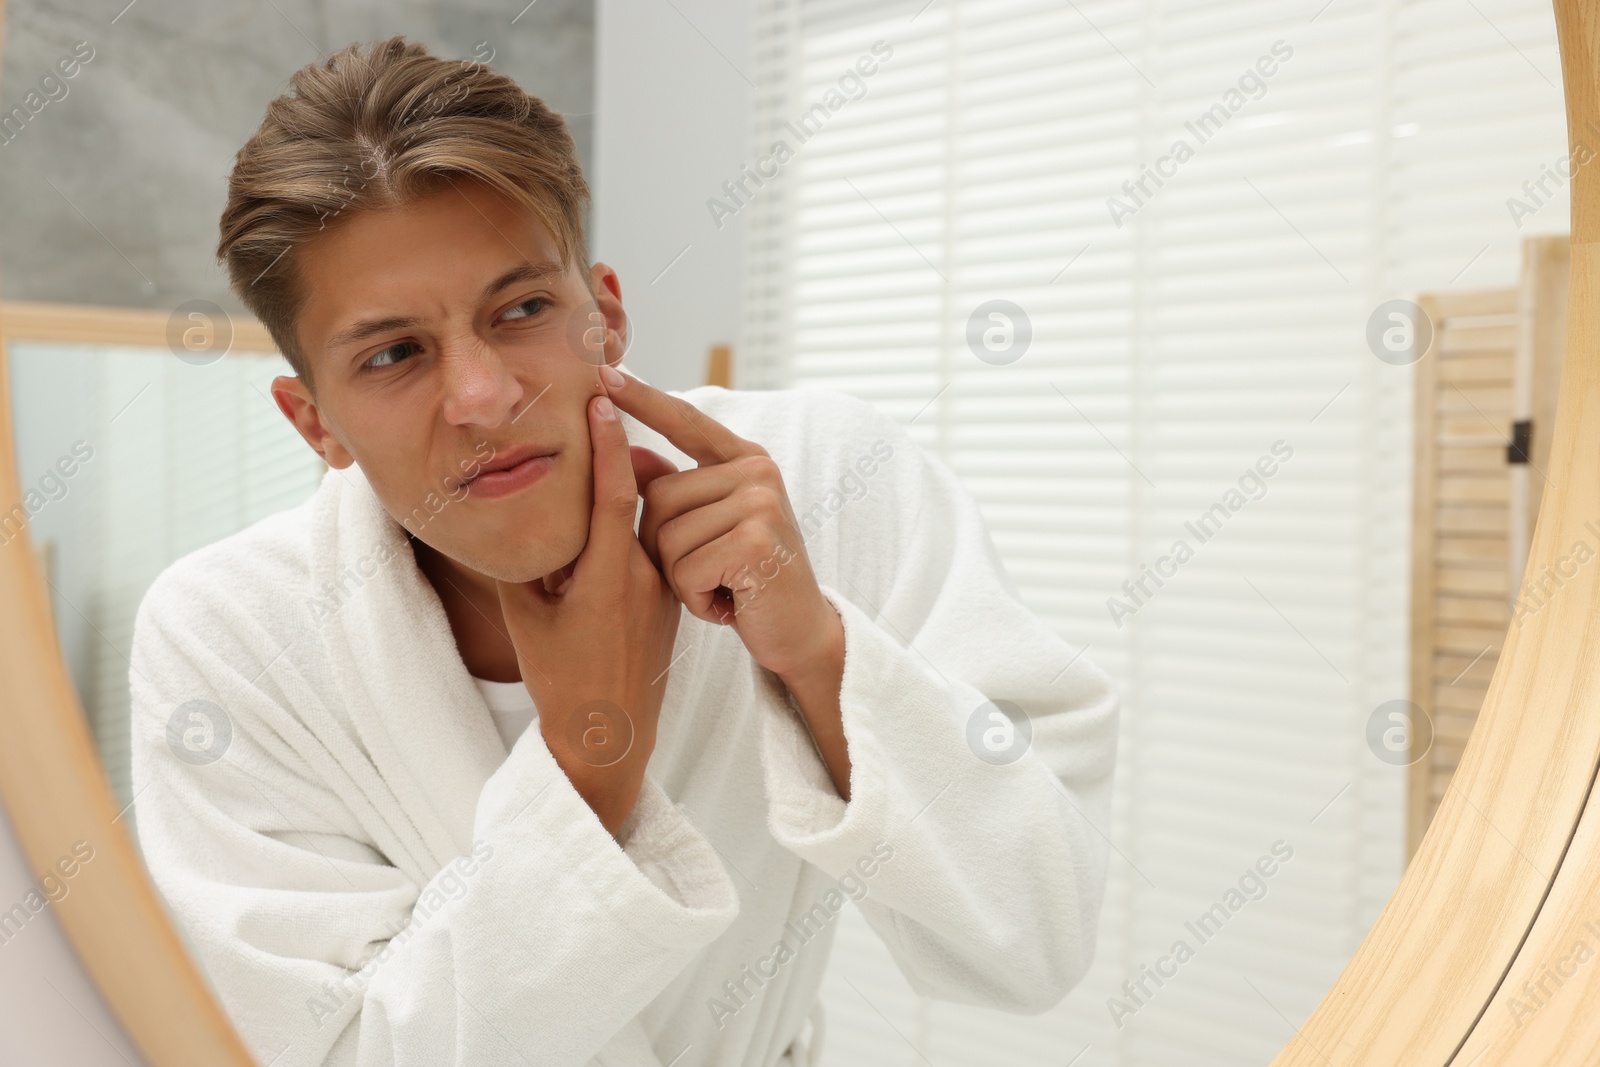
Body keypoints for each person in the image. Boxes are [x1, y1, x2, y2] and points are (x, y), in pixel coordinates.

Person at [128, 35, 1119, 1067]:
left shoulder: (829, 480)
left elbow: (1038, 934)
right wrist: (587, 762)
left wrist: (819, 657)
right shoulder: (230, 634)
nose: (484, 396)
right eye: (393, 354)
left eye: (521, 310)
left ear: (604, 313)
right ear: (313, 422)